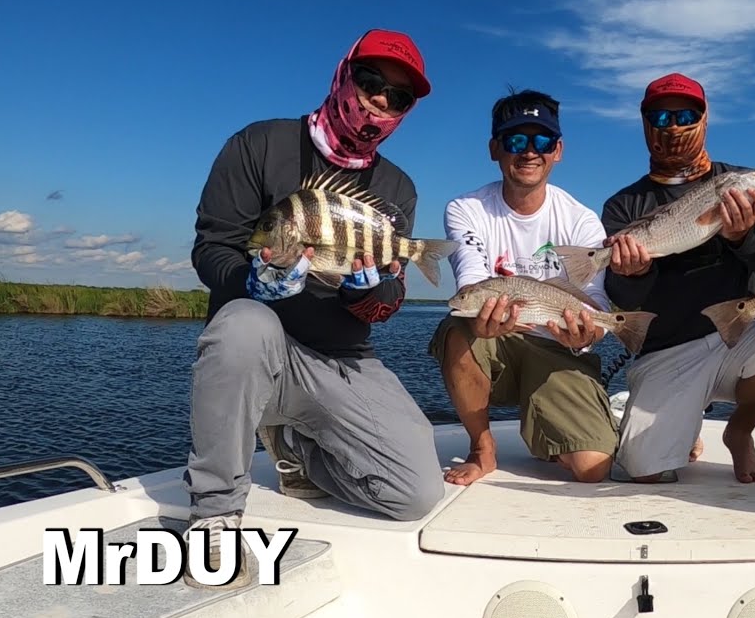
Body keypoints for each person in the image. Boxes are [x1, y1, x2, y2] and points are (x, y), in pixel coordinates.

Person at [184, 29, 446, 589]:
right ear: (343, 74)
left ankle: (301, 448)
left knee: (416, 493)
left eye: (398, 97)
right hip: (263, 350)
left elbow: (387, 301)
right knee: (242, 327)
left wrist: (369, 294)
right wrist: (252, 278)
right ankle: (215, 513)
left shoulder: (397, 188)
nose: (380, 101)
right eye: (371, 82)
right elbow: (212, 246)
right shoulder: (259, 144)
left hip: (342, 357)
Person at [603, 73, 755, 484]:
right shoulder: (624, 205)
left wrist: (741, 235)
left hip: (737, 338)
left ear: (705, 118)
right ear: (645, 124)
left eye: (685, 114)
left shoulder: (744, 186)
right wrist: (633, 271)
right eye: (660, 116)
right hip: (667, 350)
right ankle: (679, 422)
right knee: (645, 471)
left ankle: (740, 432)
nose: (673, 126)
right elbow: (622, 299)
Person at [427, 88, 619, 486]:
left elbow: (595, 299)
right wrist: (478, 314)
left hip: (557, 349)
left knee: (593, 469)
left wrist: (590, 332)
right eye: (516, 140)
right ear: (495, 148)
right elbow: (472, 278)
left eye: (542, 141)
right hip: (496, 343)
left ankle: (566, 427)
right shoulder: (466, 209)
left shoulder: (582, 221)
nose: (529, 152)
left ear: (558, 150)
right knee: (457, 327)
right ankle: (483, 449)